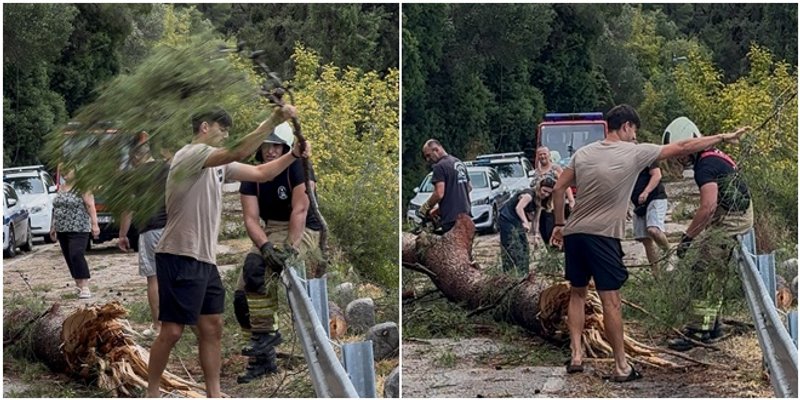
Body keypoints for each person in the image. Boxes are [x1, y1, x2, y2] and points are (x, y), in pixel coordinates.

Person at [549, 104, 749, 382]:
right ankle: (621, 366)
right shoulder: (635, 151)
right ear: (627, 126)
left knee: (577, 294)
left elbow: (559, 188)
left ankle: (576, 356)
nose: (635, 136)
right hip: (603, 236)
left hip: (574, 233)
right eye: (635, 131)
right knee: (612, 301)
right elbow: (684, 146)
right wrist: (724, 137)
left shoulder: (583, 153)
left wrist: (559, 224)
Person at [146, 105, 310, 398]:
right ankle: (152, 392)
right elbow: (236, 152)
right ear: (205, 127)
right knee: (171, 332)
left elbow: (261, 172)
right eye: (224, 130)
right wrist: (273, 119)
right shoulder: (190, 154)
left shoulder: (217, 163)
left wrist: (294, 155)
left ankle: (214, 393)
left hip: (205, 259)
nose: (226, 136)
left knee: (213, 327)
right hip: (178, 254)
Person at [234, 122, 323, 383]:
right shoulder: (253, 173)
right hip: (270, 228)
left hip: (303, 227)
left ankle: (265, 335)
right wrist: (264, 246)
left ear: (284, 146)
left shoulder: (298, 165)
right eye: (266, 145)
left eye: (276, 145)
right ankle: (262, 356)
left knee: (263, 271)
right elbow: (251, 219)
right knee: (242, 295)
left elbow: (300, 210)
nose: (271, 151)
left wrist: (290, 250)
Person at [662, 118, 753, 351]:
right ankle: (713, 324)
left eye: (681, 154)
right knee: (715, 272)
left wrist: (688, 239)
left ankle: (699, 331)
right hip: (735, 216)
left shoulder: (705, 166)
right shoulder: (713, 156)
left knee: (703, 272)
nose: (679, 159)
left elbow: (708, 207)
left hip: (733, 221)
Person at [118, 132, 169, 337]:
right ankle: (181, 322)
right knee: (174, 275)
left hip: (150, 229)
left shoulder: (135, 176)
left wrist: (122, 234)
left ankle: (158, 326)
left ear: (135, 155)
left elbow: (128, 208)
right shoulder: (167, 168)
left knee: (154, 278)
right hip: (172, 227)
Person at [49, 169, 100, 299]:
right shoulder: (60, 188)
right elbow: (56, 209)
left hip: (79, 227)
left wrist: (95, 224)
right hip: (62, 228)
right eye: (64, 172)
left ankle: (85, 285)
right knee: (69, 257)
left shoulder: (82, 187)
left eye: (68, 171)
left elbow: (90, 206)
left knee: (76, 254)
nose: (65, 174)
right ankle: (78, 284)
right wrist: (53, 227)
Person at [419, 139, 471, 234]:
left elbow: (439, 193)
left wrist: (426, 207)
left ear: (436, 150)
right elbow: (468, 188)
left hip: (451, 220)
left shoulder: (439, 166)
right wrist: (438, 210)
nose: (427, 159)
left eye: (428, 155)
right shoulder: (458, 162)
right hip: (466, 217)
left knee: (450, 248)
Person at [630, 158, 670, 274]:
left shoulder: (646, 157)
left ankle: (669, 253)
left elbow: (657, 175)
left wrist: (646, 191)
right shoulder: (622, 162)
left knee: (653, 230)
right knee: (645, 240)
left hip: (655, 197)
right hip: (638, 204)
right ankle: (657, 276)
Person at [531, 146, 574, 246]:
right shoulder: (537, 172)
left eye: (544, 154)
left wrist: (571, 200)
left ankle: (557, 249)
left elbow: (565, 185)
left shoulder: (555, 169)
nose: (542, 156)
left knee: (553, 232)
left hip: (554, 207)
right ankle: (549, 252)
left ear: (549, 155)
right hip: (541, 208)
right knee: (544, 233)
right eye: (540, 154)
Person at [498, 186, 537, 275]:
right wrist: (526, 222)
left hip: (517, 221)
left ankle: (524, 274)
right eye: (544, 191)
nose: (545, 194)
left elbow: (536, 219)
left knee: (524, 247)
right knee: (513, 246)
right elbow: (519, 208)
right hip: (507, 217)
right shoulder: (529, 195)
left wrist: (536, 235)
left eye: (548, 193)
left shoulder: (542, 201)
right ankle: (509, 275)